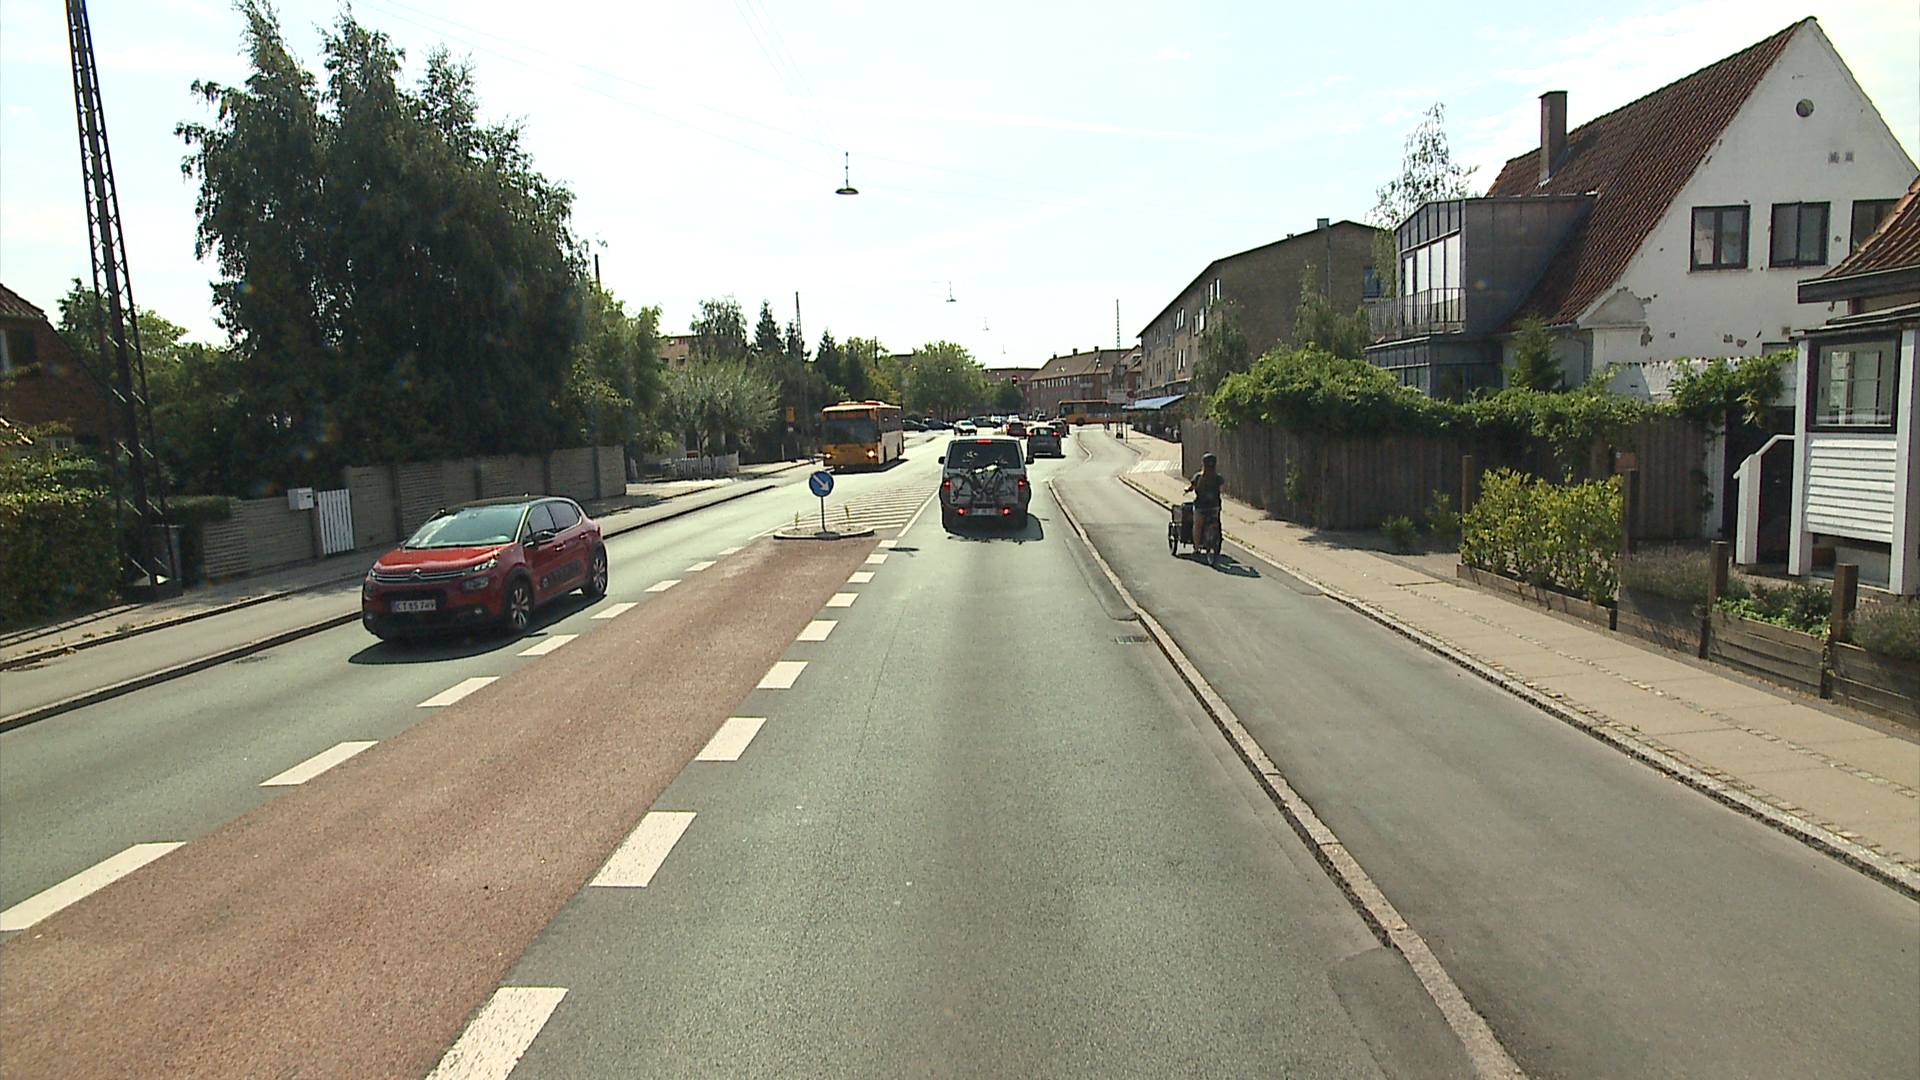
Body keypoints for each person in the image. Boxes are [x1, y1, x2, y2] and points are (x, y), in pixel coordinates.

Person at [1186, 452, 1224, 553]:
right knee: (1216, 521)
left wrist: (1187, 489)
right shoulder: (1218, 478)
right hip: (1214, 506)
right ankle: (1217, 539)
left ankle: (1196, 547)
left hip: (1201, 506)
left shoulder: (1198, 477)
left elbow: (1192, 487)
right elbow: (1221, 488)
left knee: (1197, 526)